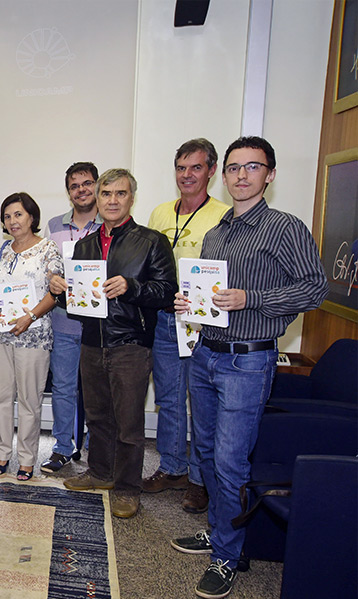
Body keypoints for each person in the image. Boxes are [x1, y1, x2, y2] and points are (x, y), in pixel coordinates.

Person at [170, 136, 326, 599]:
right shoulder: (218, 231)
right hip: (206, 352)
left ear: (269, 175)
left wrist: (250, 298)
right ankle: (222, 533)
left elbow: (315, 289)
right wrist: (190, 304)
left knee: (231, 460)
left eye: (252, 167)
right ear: (224, 174)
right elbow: (213, 295)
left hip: (247, 359)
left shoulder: (284, 228)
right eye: (234, 168)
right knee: (207, 453)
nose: (241, 176)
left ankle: (228, 555)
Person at [53, 168, 176, 519]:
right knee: (98, 416)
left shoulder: (151, 241)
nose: (111, 200)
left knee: (128, 422)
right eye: (106, 193)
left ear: (131, 198)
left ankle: (127, 487)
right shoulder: (85, 245)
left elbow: (167, 292)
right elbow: (76, 300)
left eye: (119, 194)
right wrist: (60, 291)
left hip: (130, 344)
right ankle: (100, 472)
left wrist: (131, 288)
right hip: (91, 341)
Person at [142, 138, 230, 514]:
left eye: (196, 168)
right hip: (166, 318)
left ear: (211, 171)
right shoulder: (161, 213)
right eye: (181, 168)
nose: (187, 175)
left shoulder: (226, 215)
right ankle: (173, 468)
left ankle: (199, 480)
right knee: (168, 398)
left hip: (204, 324)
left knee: (203, 403)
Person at [0, 193, 60, 481]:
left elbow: (55, 290)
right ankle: (2, 454)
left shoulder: (48, 249)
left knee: (29, 400)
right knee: (1, 396)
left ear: (32, 217)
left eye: (18, 214)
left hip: (32, 334)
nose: (12, 221)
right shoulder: (3, 250)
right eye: (8, 216)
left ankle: (26, 460)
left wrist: (31, 317)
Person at [40, 162, 102, 474]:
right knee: (63, 388)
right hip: (63, 322)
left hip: (100, 326)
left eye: (87, 183)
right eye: (75, 186)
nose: (82, 190)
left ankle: (97, 447)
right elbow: (48, 265)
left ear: (97, 185)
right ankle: (63, 448)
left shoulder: (111, 223)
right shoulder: (54, 225)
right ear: (69, 192)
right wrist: (52, 276)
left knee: (98, 390)